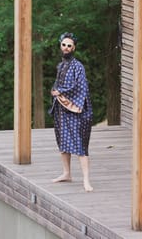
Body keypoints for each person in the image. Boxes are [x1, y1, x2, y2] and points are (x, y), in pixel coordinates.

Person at [50, 32, 93, 192]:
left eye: (69, 45)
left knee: (80, 144)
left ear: (74, 47)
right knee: (63, 142)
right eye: (64, 45)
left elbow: (81, 88)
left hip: (76, 110)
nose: (66, 48)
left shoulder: (78, 67)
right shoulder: (61, 65)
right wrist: (55, 91)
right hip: (61, 109)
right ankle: (66, 173)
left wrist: (60, 92)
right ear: (60, 46)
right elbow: (57, 83)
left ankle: (86, 180)